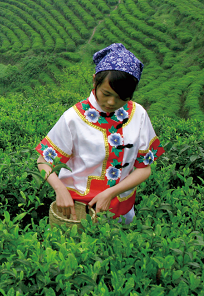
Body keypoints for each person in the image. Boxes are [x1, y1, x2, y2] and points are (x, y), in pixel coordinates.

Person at [36, 43, 164, 225]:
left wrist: (111, 193)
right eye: (106, 93)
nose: (111, 102)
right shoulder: (74, 117)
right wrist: (59, 189)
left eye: (122, 98)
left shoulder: (139, 114)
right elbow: (43, 161)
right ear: (95, 81)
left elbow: (144, 168)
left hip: (122, 207)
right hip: (77, 210)